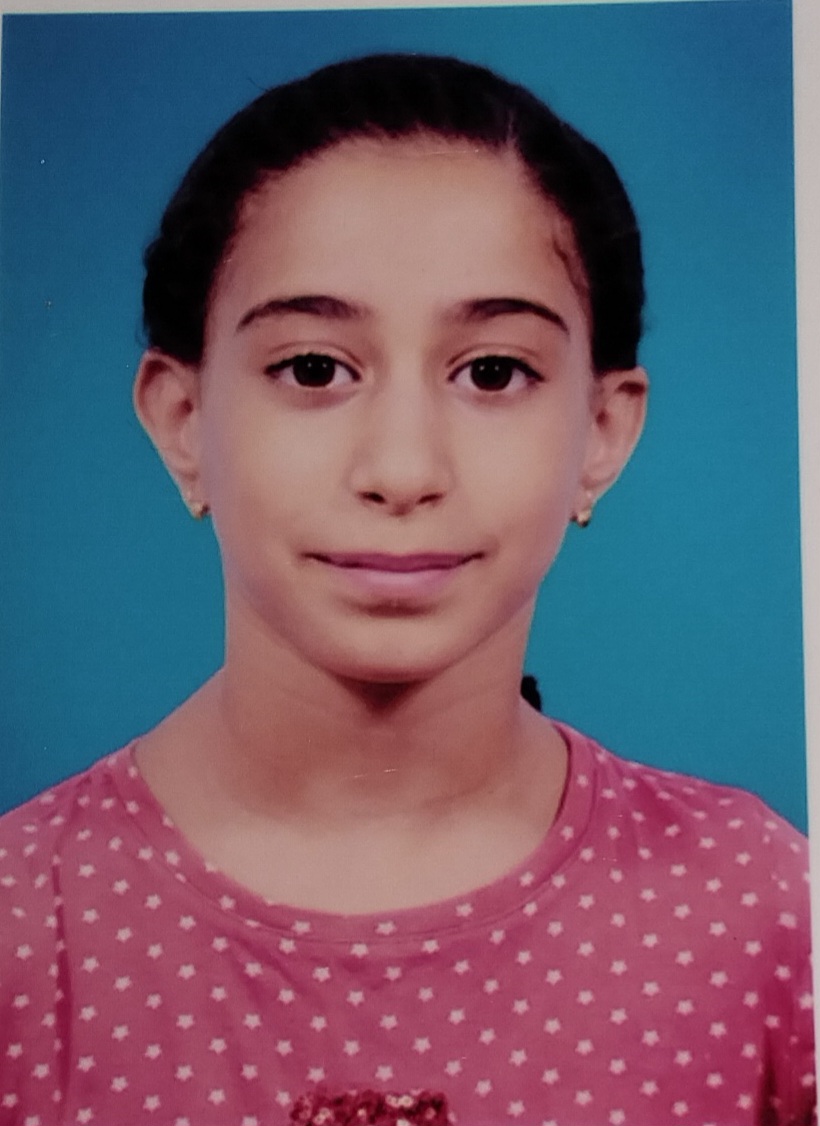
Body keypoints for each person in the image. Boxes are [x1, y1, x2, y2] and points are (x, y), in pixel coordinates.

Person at [0, 53, 813, 1126]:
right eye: (313, 369)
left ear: (603, 431)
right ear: (183, 421)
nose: (401, 470)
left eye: (492, 372)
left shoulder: (762, 910)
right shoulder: (20, 923)